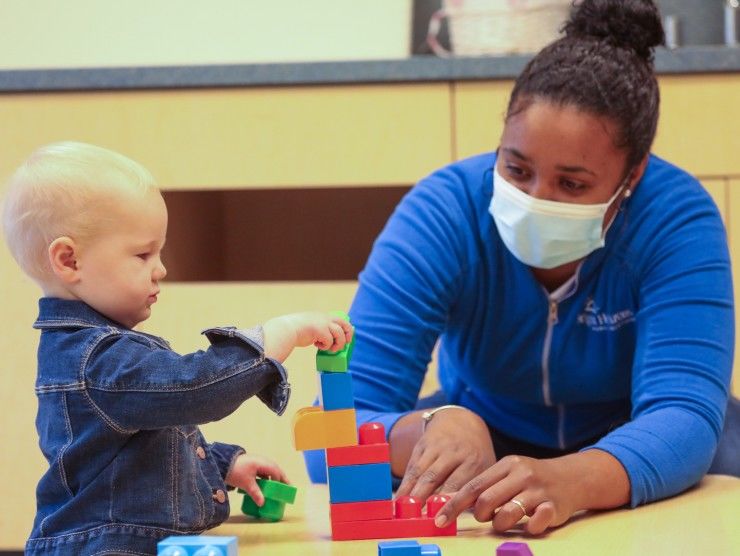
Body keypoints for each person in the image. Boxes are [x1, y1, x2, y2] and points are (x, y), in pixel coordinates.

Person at [304, 0, 737, 535]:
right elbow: (332, 431)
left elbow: (685, 418)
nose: (536, 198)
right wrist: (429, 428)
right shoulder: (445, 213)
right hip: (485, 437)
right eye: (516, 168)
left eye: (573, 184)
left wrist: (571, 480)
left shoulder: (675, 217)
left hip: (632, 442)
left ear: (633, 175)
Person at [2, 141, 353, 555]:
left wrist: (222, 466)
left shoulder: (98, 353)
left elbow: (142, 448)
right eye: (142, 254)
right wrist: (281, 334)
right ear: (70, 261)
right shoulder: (97, 360)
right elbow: (195, 389)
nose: (161, 268)